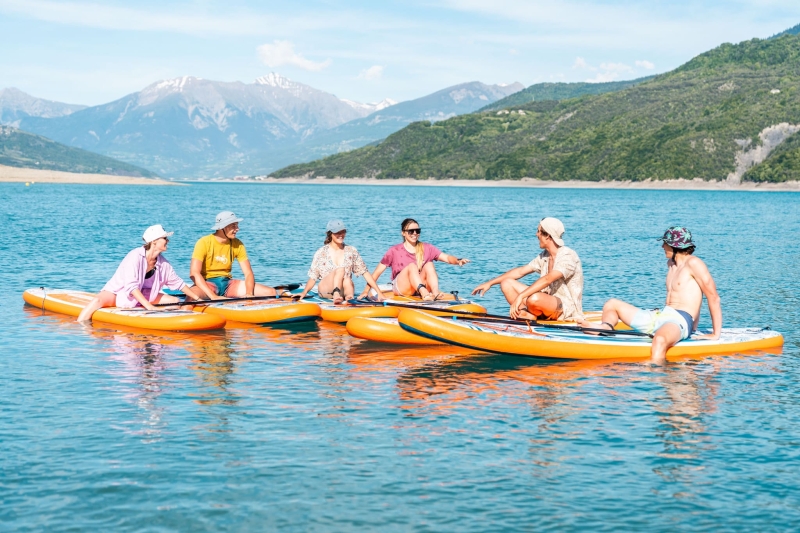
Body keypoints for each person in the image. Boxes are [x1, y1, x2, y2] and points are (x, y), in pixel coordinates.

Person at [577, 226, 722, 365]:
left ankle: (655, 373)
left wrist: (715, 334)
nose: (662, 246)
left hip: (679, 320)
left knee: (659, 340)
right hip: (661, 315)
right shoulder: (671, 264)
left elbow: (713, 297)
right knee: (612, 304)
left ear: (675, 245)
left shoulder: (694, 263)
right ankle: (606, 327)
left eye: (665, 243)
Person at [77, 225, 203, 321]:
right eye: (165, 238)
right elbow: (131, 287)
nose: (168, 240)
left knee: (175, 301)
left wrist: (197, 299)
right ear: (154, 241)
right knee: (97, 300)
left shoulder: (163, 263)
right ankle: (80, 325)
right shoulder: (134, 256)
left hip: (145, 294)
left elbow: (178, 283)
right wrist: (149, 306)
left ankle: (158, 320)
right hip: (120, 293)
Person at [472, 217, 583, 321]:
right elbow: (520, 272)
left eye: (539, 231)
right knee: (506, 283)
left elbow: (547, 279)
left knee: (534, 299)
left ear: (548, 236)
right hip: (544, 302)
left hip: (566, 308)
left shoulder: (568, 256)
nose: (536, 234)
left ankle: (531, 315)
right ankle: (525, 314)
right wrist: (490, 283)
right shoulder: (545, 255)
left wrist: (521, 296)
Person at [361, 218, 469, 301]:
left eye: (417, 231)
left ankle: (435, 293)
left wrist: (458, 260)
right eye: (411, 231)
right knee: (412, 266)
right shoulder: (394, 250)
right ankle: (424, 293)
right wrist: (366, 291)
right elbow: (377, 273)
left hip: (420, 285)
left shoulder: (427, 248)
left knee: (429, 264)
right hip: (402, 287)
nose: (414, 234)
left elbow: (447, 258)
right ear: (403, 233)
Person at [190, 211, 275, 299]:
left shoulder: (238, 244)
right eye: (233, 226)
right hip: (208, 284)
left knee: (271, 292)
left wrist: (249, 294)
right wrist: (213, 296)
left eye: (237, 225)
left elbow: (248, 273)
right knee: (191, 296)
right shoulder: (203, 242)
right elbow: (194, 273)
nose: (237, 229)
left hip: (228, 284)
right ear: (222, 228)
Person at [296, 220, 384, 304]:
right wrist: (304, 292)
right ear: (330, 234)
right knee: (341, 270)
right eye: (337, 232)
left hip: (345, 289)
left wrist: (379, 292)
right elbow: (313, 277)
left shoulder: (351, 251)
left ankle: (349, 298)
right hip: (326, 289)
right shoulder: (321, 252)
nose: (341, 235)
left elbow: (365, 273)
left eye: (343, 232)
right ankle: (336, 294)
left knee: (347, 279)